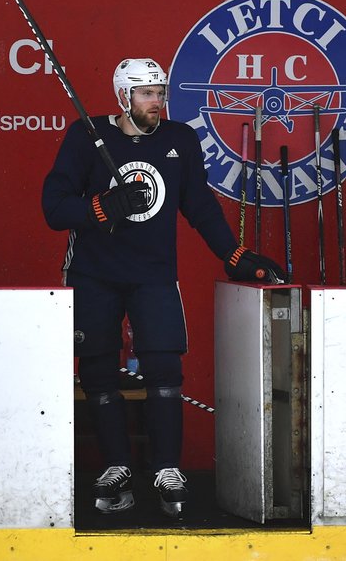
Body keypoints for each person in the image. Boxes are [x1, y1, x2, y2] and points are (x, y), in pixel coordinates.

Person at [41, 57, 284, 518]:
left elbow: (199, 204)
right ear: (123, 97)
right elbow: (54, 208)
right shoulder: (86, 136)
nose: (158, 101)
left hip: (153, 272)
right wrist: (104, 206)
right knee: (97, 371)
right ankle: (116, 467)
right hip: (93, 272)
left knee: (164, 369)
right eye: (147, 94)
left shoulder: (178, 139)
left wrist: (234, 254)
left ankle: (166, 468)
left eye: (160, 92)